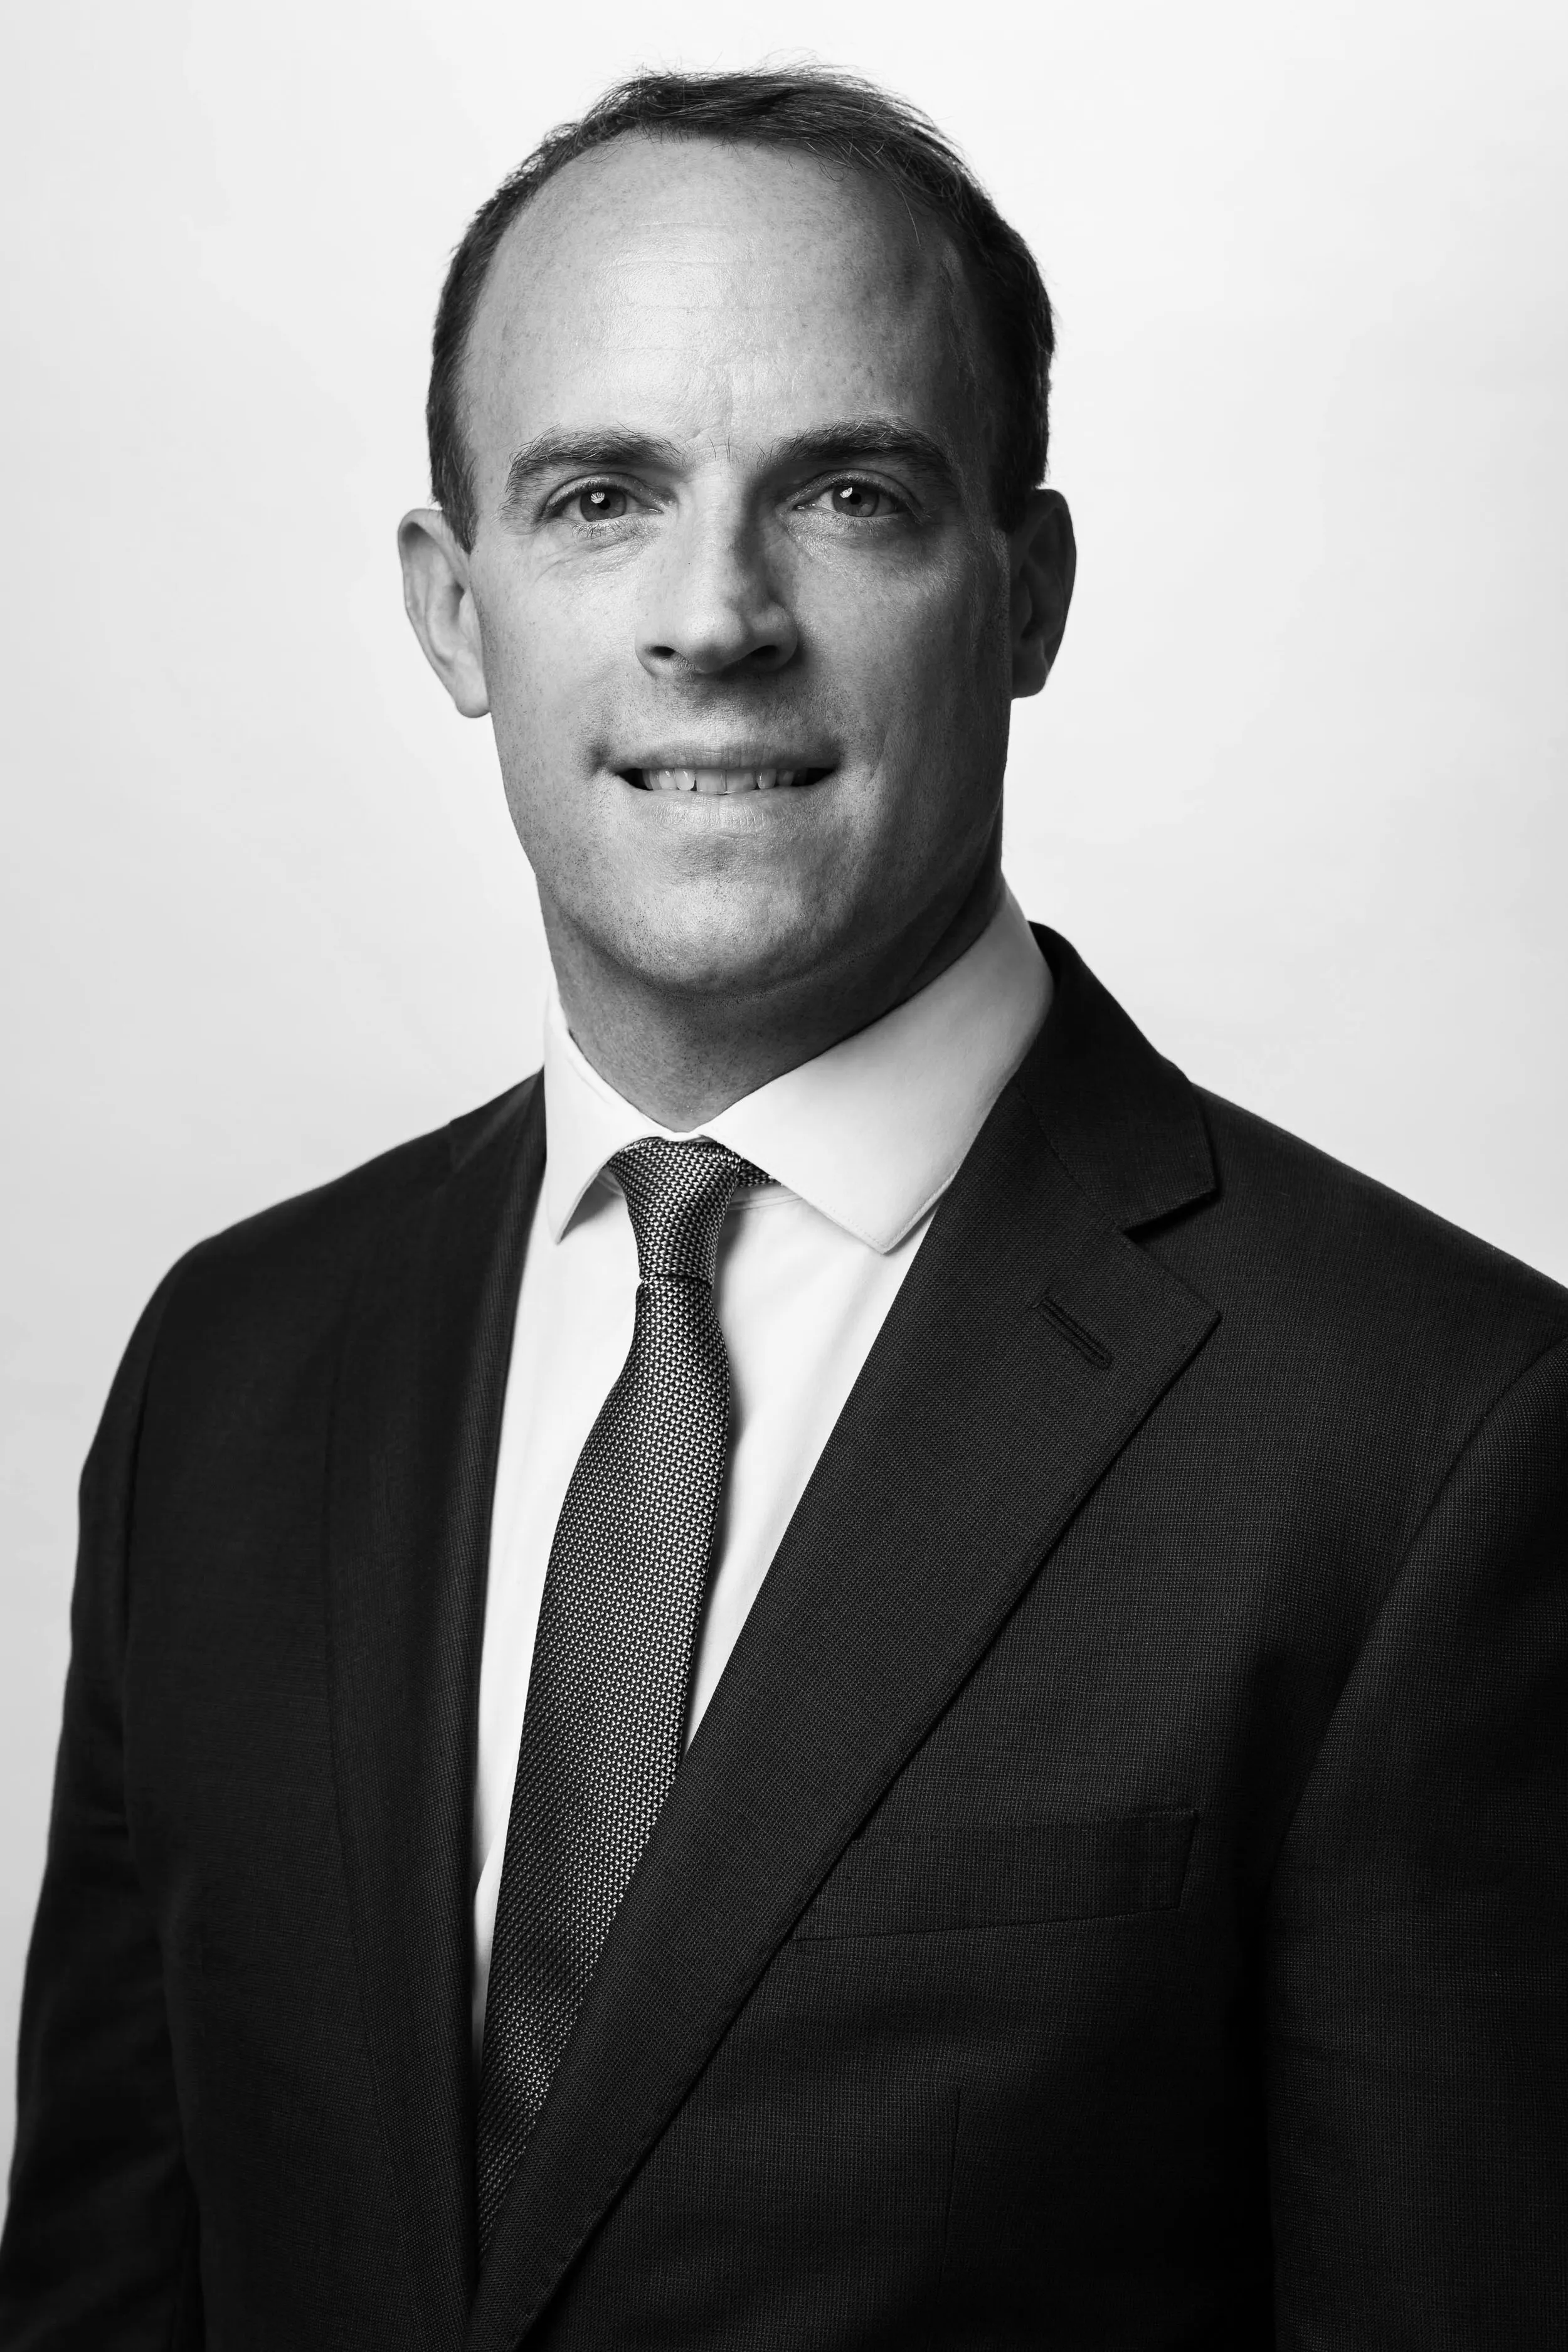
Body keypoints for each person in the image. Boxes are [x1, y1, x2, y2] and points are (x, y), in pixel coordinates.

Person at [1, 62, 1564, 2350]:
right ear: (456, 612)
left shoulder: (1430, 1440)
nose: (712, 617)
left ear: (1022, 592)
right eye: (599, 495)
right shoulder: (234, 1370)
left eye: (846, 493)